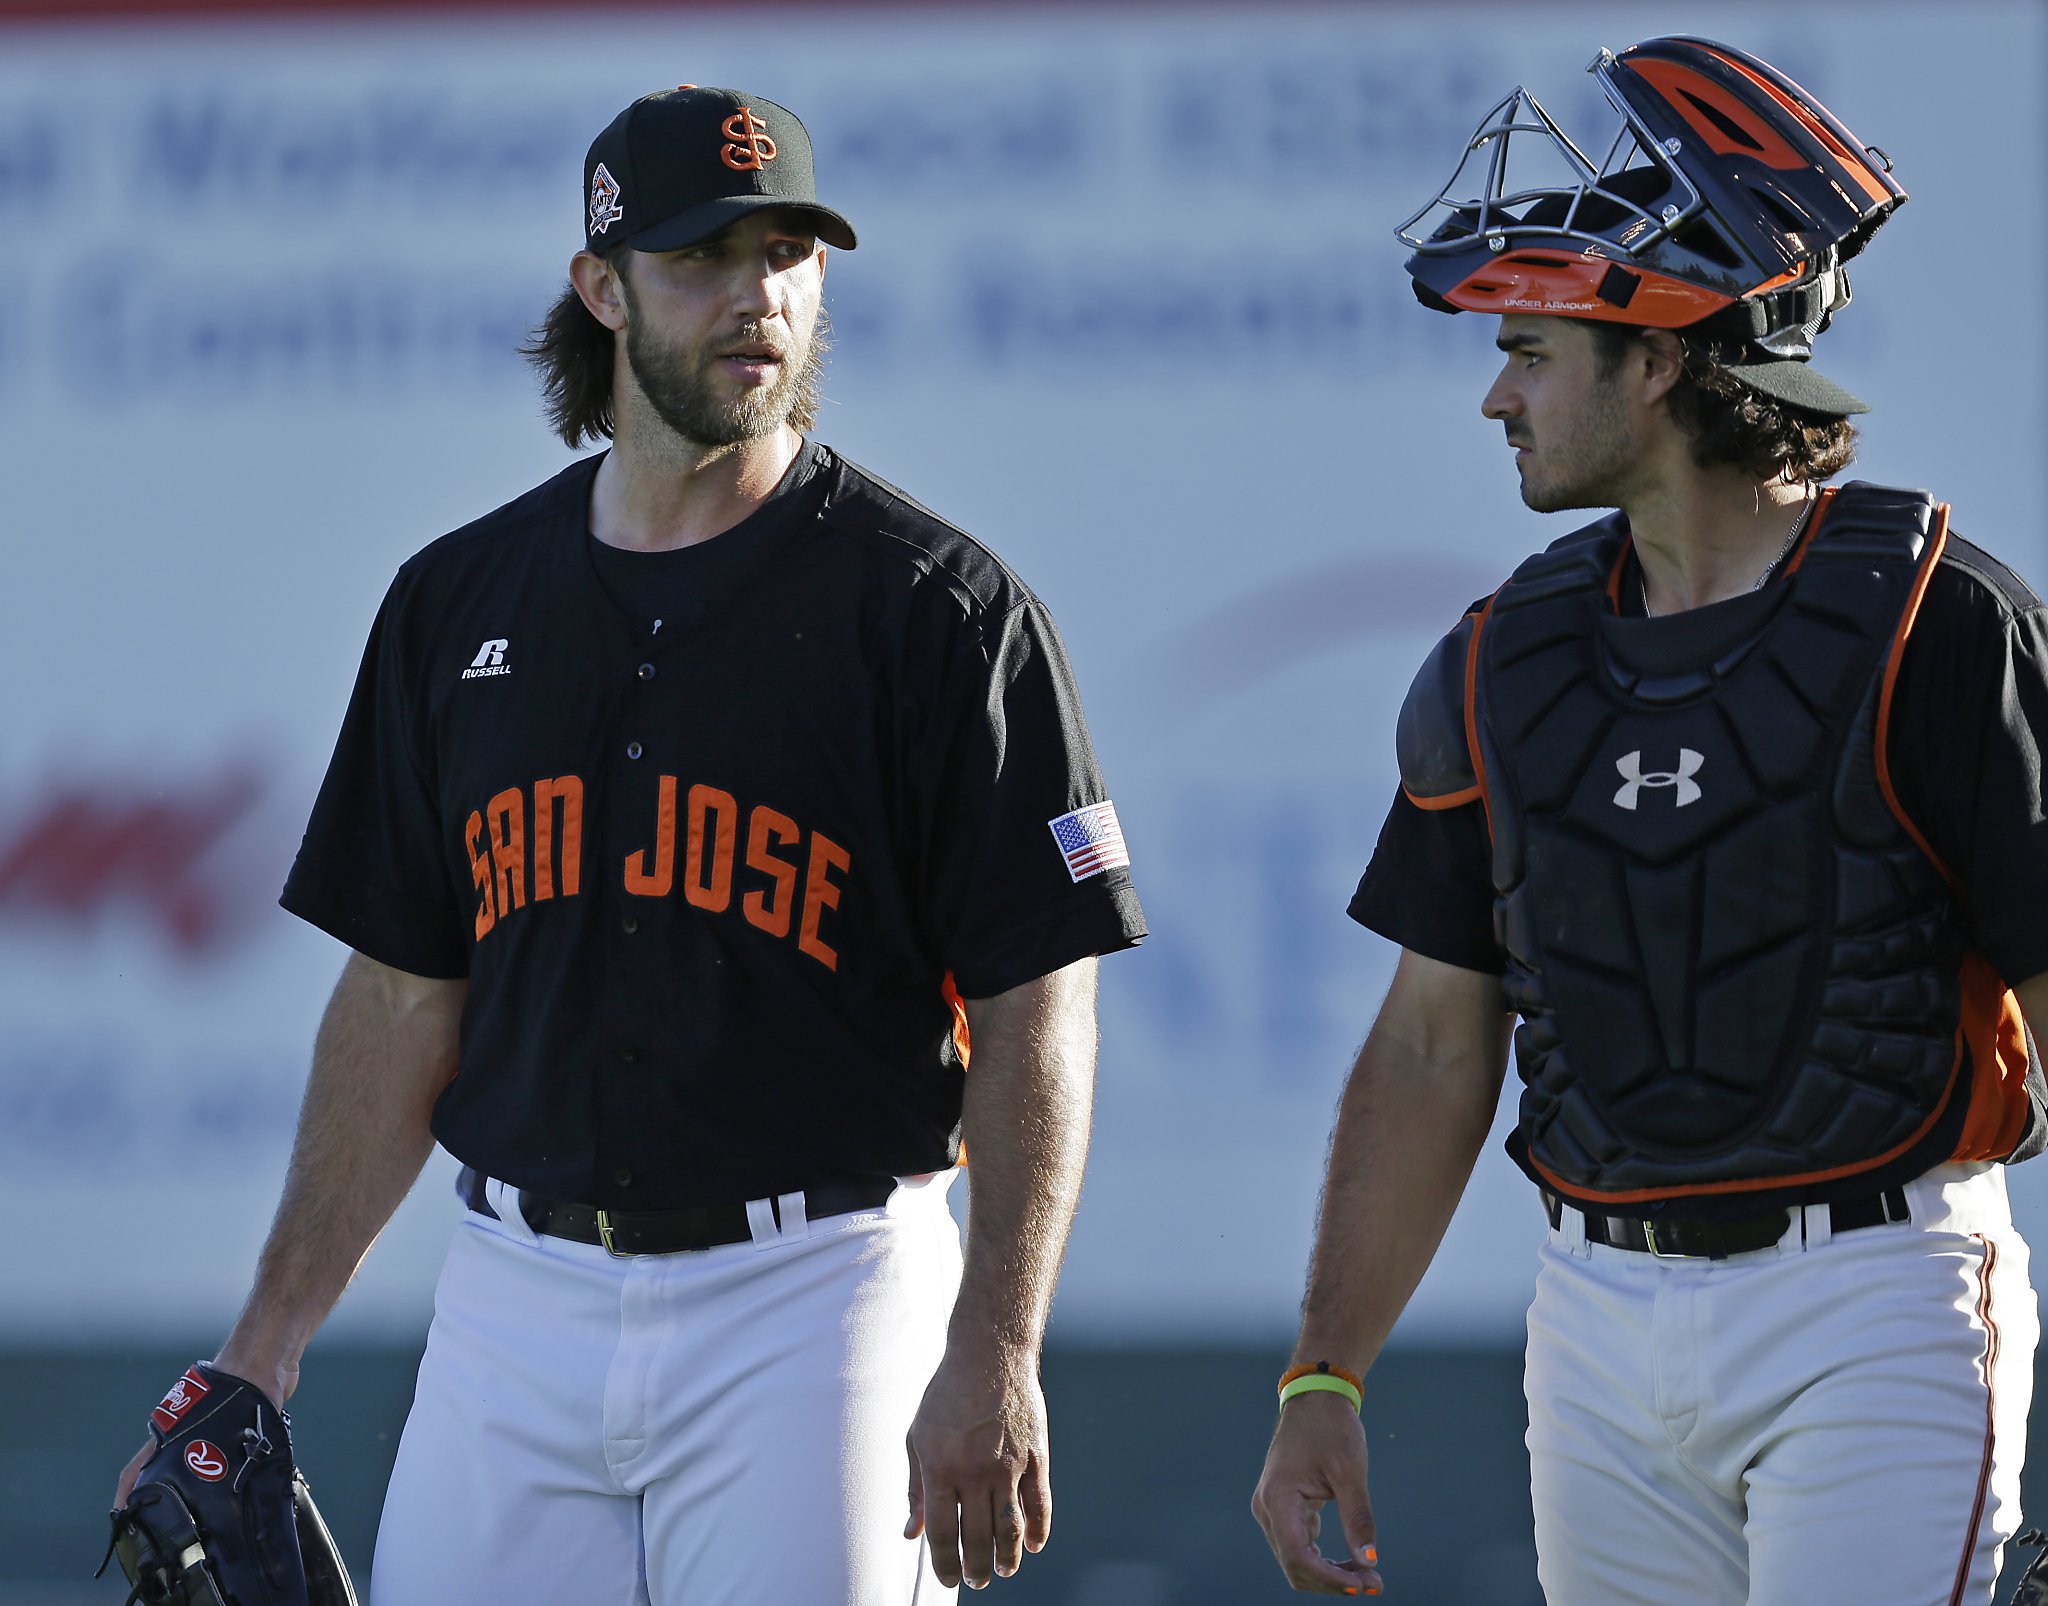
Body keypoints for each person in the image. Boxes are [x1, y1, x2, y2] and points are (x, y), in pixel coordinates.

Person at [114, 84, 1145, 1604]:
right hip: (515, 1296)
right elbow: (404, 999)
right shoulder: (456, 606)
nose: (758, 298)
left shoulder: (941, 616)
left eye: (789, 253)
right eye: (705, 257)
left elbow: (1037, 1002)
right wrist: (258, 1354)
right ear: (601, 290)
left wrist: (994, 1343)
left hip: (821, 1287)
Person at [1252, 36, 2048, 1603]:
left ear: (1664, 358)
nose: (1495, 394)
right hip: (1599, 1326)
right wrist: (1322, 1377)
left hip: (1882, 1294)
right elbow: (1429, 1047)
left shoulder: (1942, 626)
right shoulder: (1496, 660)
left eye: (1533, 351)